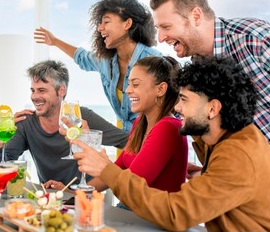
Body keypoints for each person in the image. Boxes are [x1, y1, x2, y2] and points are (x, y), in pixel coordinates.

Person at [72, 56, 270, 232]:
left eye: (184, 100)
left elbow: (176, 214)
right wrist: (205, 176)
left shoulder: (237, 155)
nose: (177, 108)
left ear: (212, 109)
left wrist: (105, 168)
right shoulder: (231, 140)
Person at [149, 0, 270, 179]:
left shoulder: (254, 39)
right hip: (259, 178)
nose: (161, 37)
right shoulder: (197, 65)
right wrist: (213, 169)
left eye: (166, 26)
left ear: (196, 16)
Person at [55, 56, 188, 206]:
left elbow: (132, 185)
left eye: (135, 84)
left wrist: (98, 158)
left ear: (160, 89)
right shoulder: (140, 123)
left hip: (153, 220)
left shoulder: (168, 128)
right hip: (132, 211)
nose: (127, 90)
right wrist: (76, 194)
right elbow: (119, 168)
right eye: (128, 84)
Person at [34, 0, 162, 133]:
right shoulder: (106, 61)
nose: (100, 28)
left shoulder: (154, 59)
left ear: (127, 24)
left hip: (152, 134)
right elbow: (82, 57)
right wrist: (55, 41)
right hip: (125, 136)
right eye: (99, 23)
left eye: (106, 22)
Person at [0, 60, 128, 187]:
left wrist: (116, 174)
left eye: (42, 90)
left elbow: (128, 142)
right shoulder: (26, 123)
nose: (35, 97)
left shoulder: (82, 116)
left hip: (84, 199)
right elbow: (0, 168)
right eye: (33, 91)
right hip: (49, 202)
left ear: (61, 90)